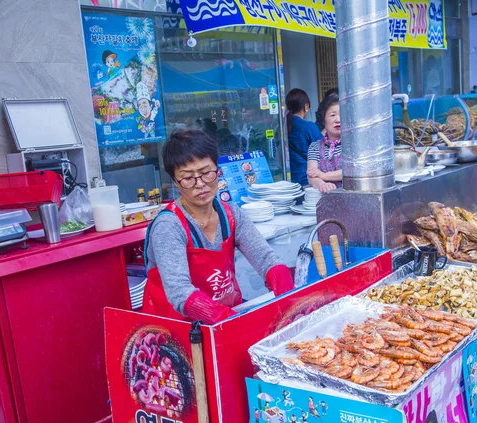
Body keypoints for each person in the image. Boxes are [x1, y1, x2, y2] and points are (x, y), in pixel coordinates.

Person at [142, 129, 294, 324]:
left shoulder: (231, 214)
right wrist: (227, 320)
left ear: (217, 170)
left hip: (226, 315)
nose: (200, 184)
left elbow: (266, 259)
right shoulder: (169, 226)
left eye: (206, 173)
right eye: (188, 178)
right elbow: (180, 292)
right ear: (175, 182)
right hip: (178, 329)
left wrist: (288, 299)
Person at [286, 89, 323, 187]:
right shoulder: (309, 127)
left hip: (288, 180)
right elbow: (323, 148)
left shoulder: (281, 127)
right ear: (306, 106)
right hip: (306, 180)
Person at [307, 94, 342, 193]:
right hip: (324, 200)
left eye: (342, 114)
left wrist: (324, 175)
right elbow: (311, 175)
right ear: (323, 120)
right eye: (332, 115)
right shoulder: (315, 147)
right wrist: (322, 184)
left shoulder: (354, 145)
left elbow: (353, 172)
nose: (338, 120)